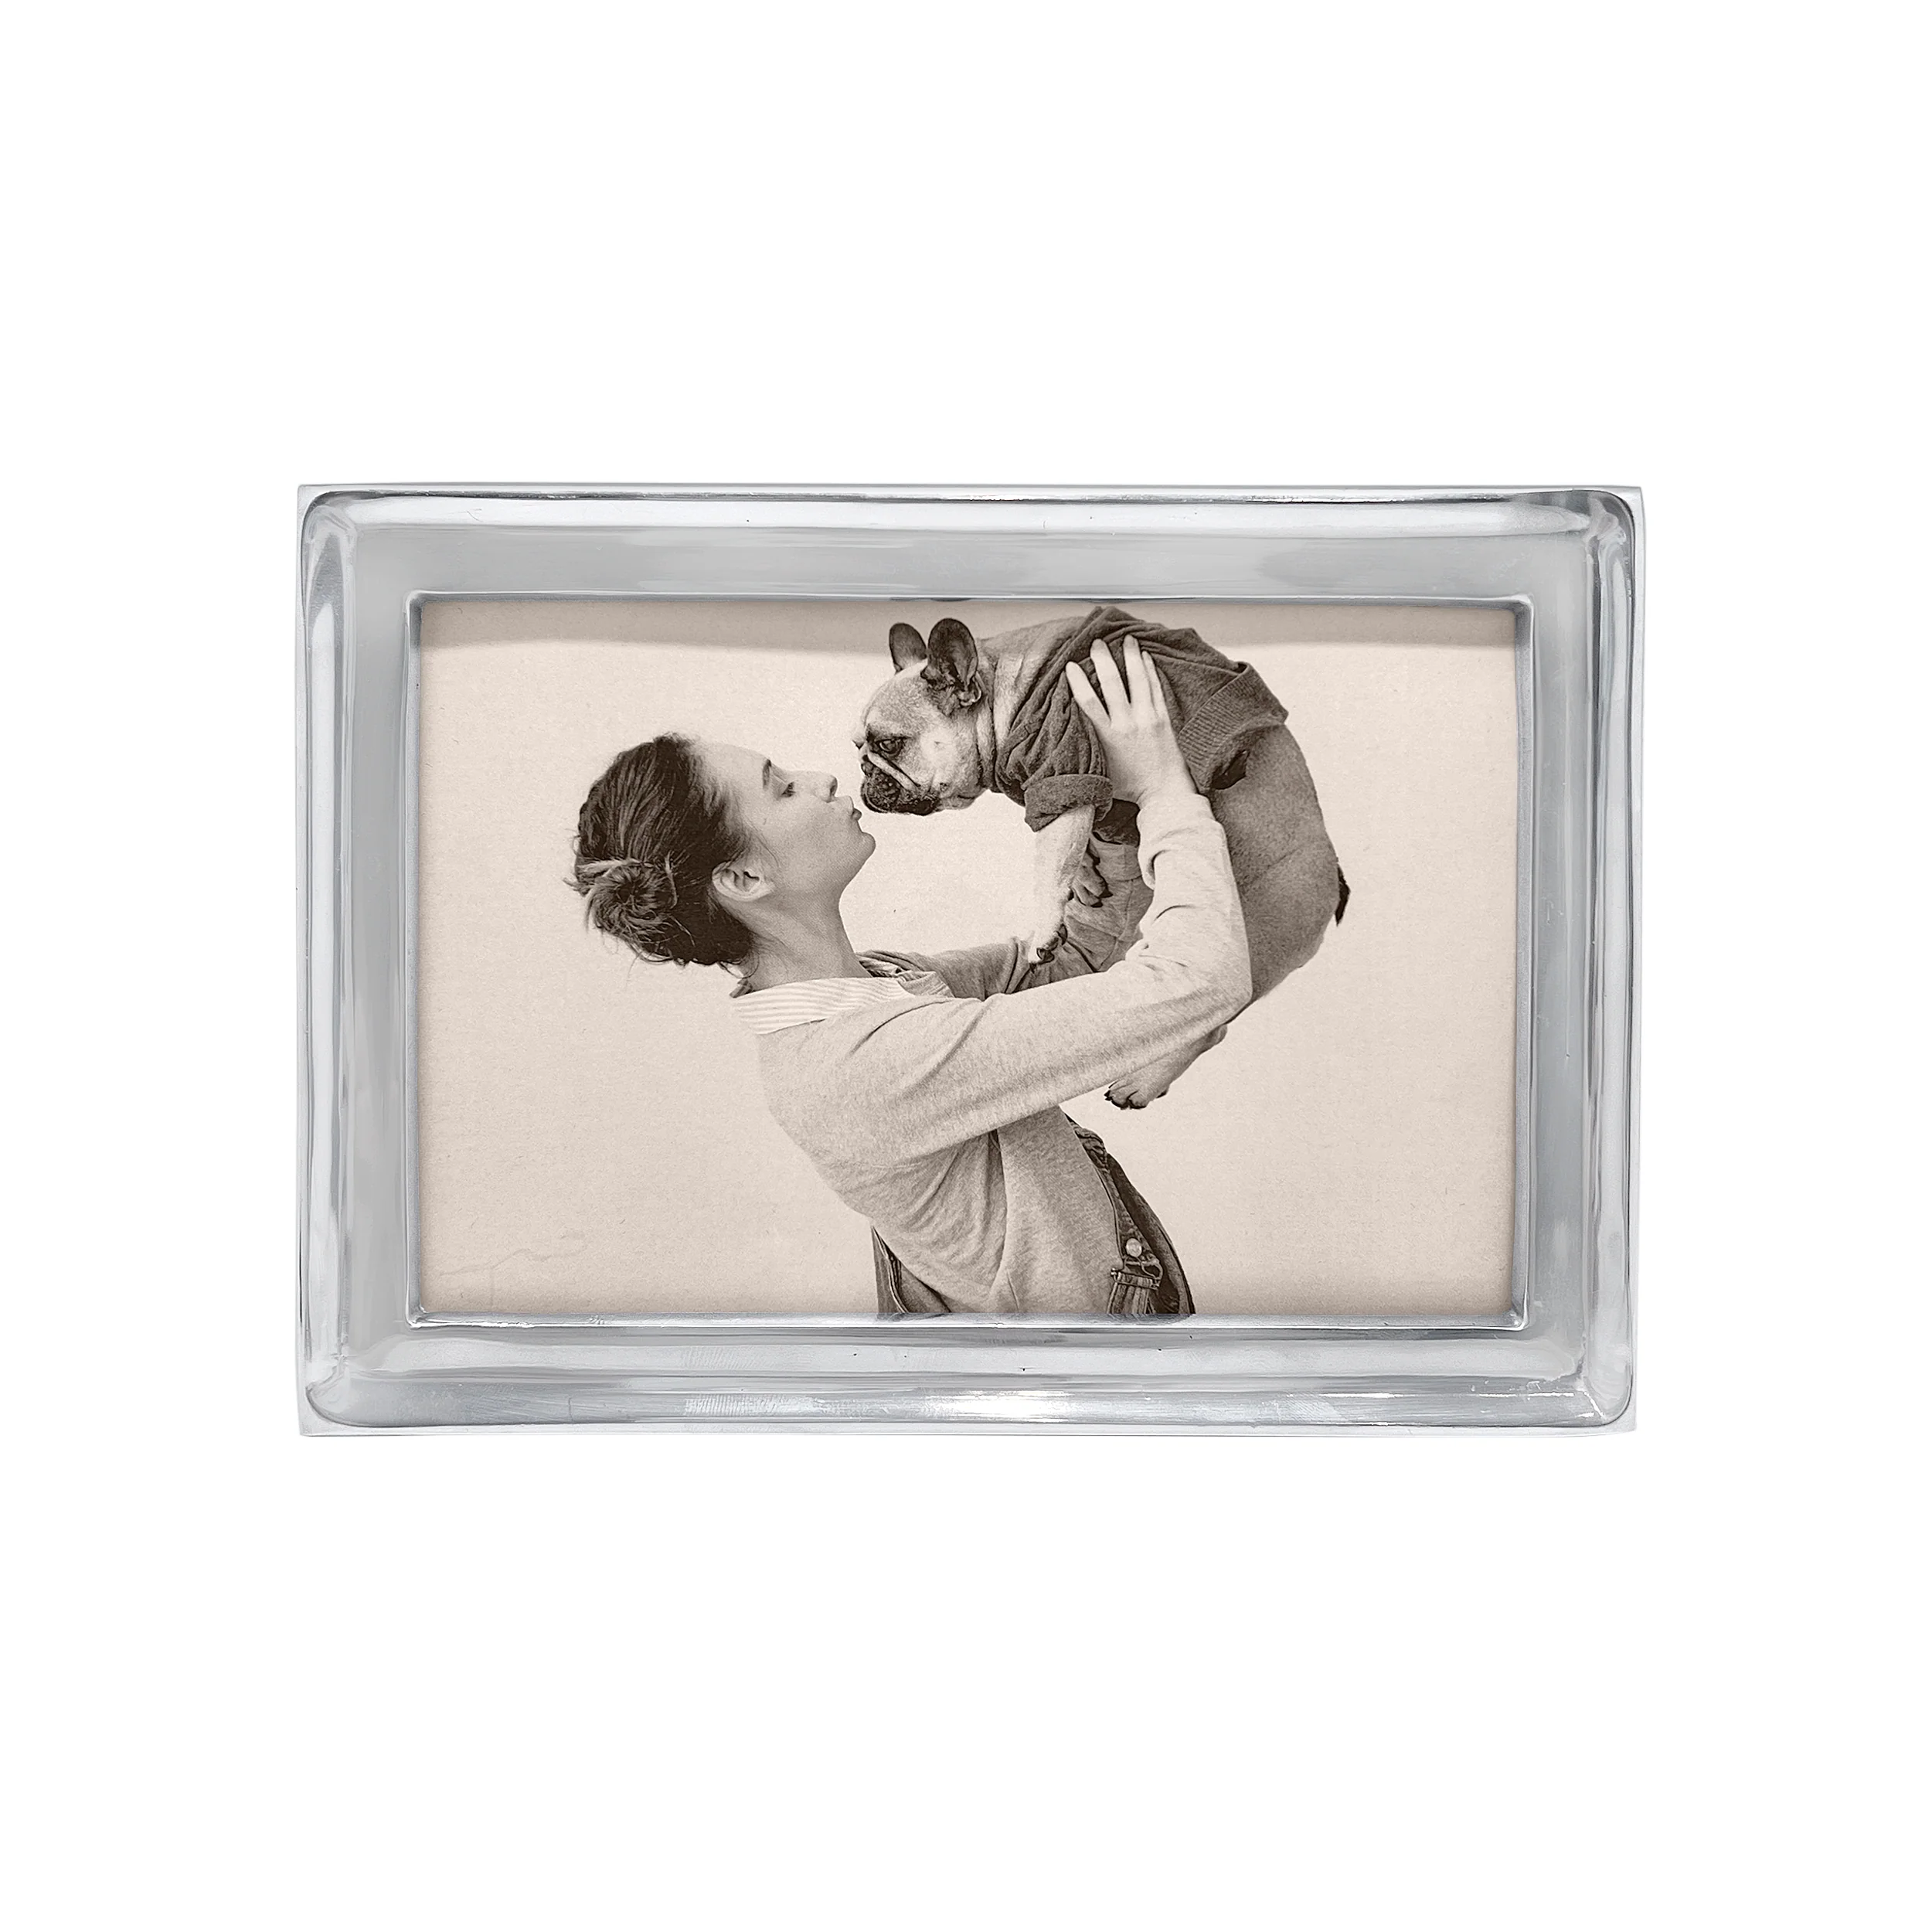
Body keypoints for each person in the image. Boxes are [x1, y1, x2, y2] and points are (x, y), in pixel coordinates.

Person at [570, 638, 1251, 1317]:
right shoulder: (862, 1066)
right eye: (782, 788)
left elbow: (1073, 962)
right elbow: (1202, 981)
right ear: (745, 878)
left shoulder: (881, 985)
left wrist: (1101, 816)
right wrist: (1164, 789)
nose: (823, 779)